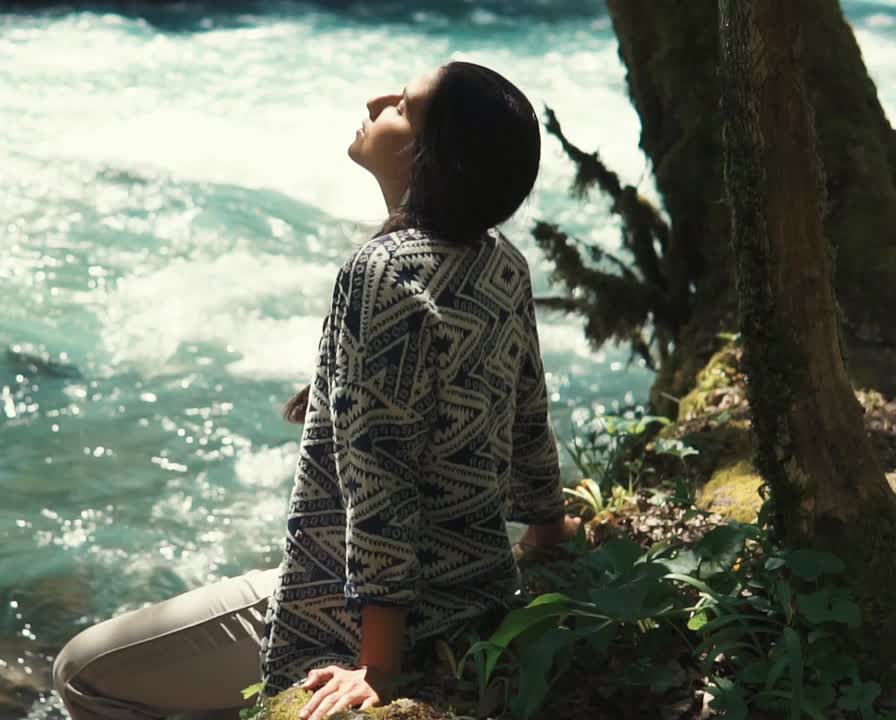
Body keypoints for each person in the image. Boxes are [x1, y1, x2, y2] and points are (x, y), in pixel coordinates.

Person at [51, 60, 580, 720]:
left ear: (427, 157)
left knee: (82, 672)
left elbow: (381, 480)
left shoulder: (382, 272)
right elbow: (528, 412)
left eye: (402, 106)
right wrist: (550, 530)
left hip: (364, 617)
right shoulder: (501, 262)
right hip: (477, 592)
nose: (376, 99)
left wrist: (379, 667)